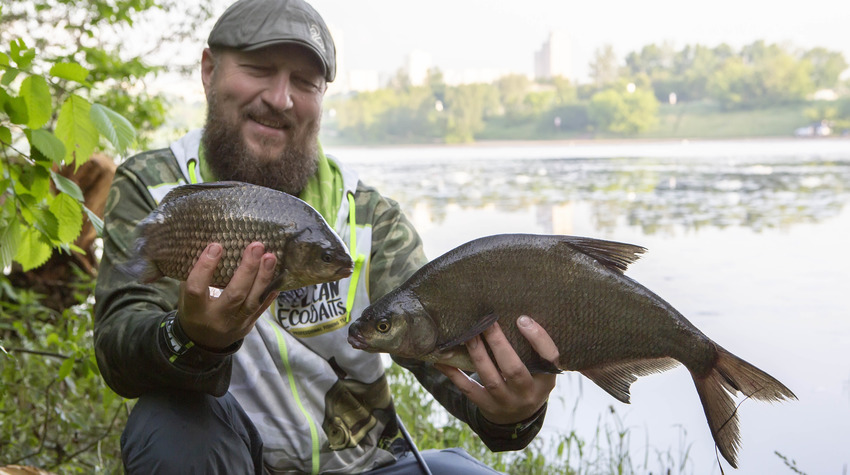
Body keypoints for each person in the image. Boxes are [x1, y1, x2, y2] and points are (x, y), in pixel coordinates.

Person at [93, 0, 560, 472]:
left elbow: (441, 350)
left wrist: (514, 413)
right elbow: (117, 347)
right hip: (230, 454)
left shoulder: (368, 215)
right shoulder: (155, 188)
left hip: (365, 464)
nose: (281, 97)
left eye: (304, 82)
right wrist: (190, 338)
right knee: (166, 424)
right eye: (259, 69)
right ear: (209, 70)